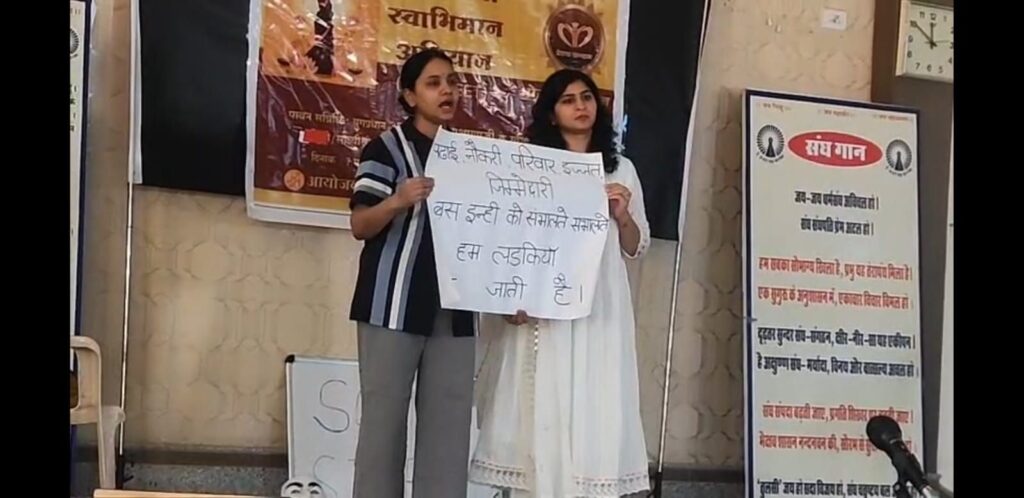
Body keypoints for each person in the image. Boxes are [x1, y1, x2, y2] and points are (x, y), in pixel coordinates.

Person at [469, 69, 652, 497]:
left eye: (586, 97)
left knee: (594, 396)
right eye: (568, 100)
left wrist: (622, 215)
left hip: (600, 305)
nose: (581, 106)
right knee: (541, 400)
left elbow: (636, 246)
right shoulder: (532, 169)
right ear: (552, 114)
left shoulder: (621, 169)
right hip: (544, 307)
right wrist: (512, 298)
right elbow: (511, 240)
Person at [348, 48, 475, 498]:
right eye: (434, 83)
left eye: (452, 82)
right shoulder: (384, 149)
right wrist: (397, 200)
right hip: (392, 305)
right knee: (383, 427)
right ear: (409, 95)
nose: (447, 91)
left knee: (449, 430)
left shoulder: (469, 156)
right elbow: (360, 225)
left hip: (455, 310)